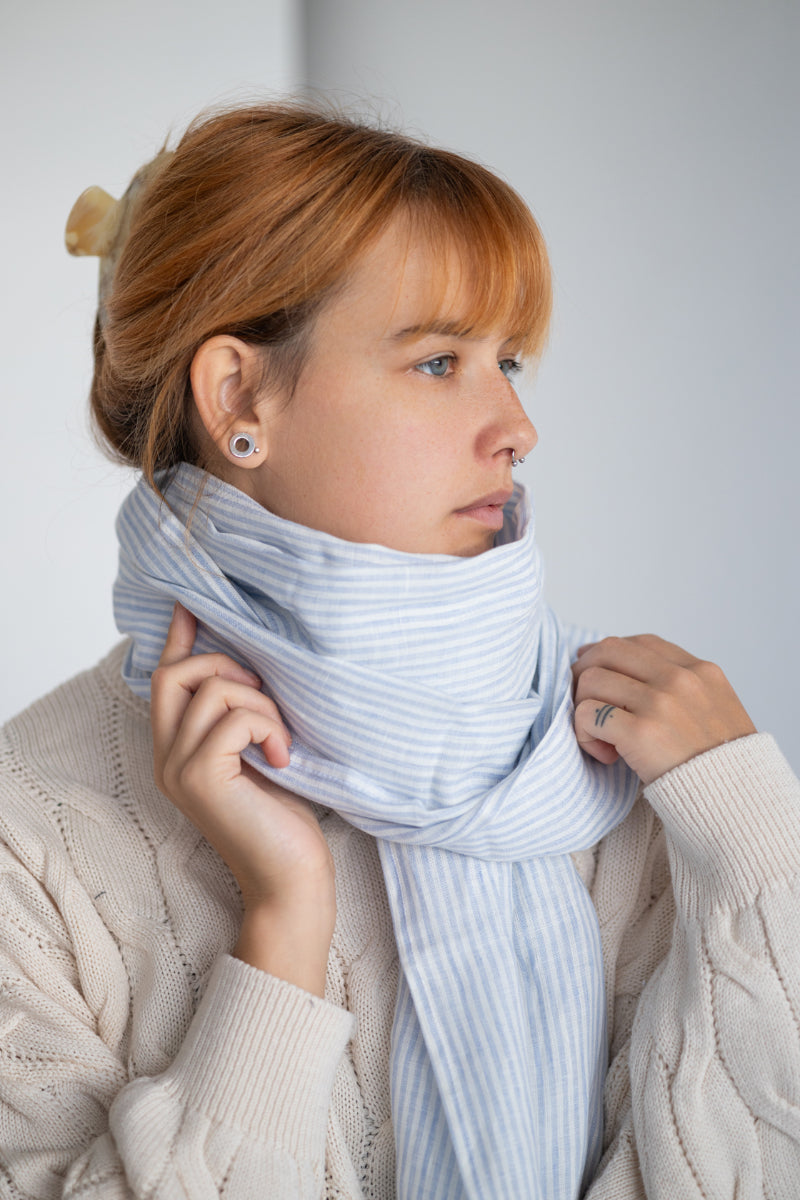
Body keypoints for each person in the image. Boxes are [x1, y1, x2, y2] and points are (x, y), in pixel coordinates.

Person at [1, 101, 798, 1200]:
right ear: (238, 398)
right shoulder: (26, 840)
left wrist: (759, 844)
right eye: (437, 362)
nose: (517, 428)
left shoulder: (646, 775)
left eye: (508, 361)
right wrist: (281, 930)